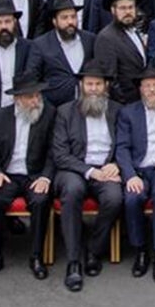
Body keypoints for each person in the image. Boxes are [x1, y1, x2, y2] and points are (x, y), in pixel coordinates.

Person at [51, 60, 127, 291]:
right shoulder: (65, 112)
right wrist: (91, 171)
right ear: (81, 86)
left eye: (97, 84)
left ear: (105, 86)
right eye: (89, 84)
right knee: (72, 192)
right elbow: (60, 154)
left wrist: (117, 165)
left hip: (107, 169)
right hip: (75, 169)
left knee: (114, 199)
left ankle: (93, 250)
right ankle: (73, 262)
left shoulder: (117, 110)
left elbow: (126, 145)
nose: (93, 88)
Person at [0, 76, 55, 282]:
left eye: (38, 95)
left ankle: (37, 256)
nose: (35, 101)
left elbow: (52, 151)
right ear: (17, 99)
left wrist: (46, 178)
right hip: (8, 175)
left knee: (40, 201)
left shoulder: (48, 115)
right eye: (30, 97)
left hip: (34, 175)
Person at [112, 68, 155, 281]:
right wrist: (130, 175)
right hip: (138, 170)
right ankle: (140, 251)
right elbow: (121, 148)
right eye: (147, 85)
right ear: (140, 89)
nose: (152, 89)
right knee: (132, 198)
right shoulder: (128, 112)